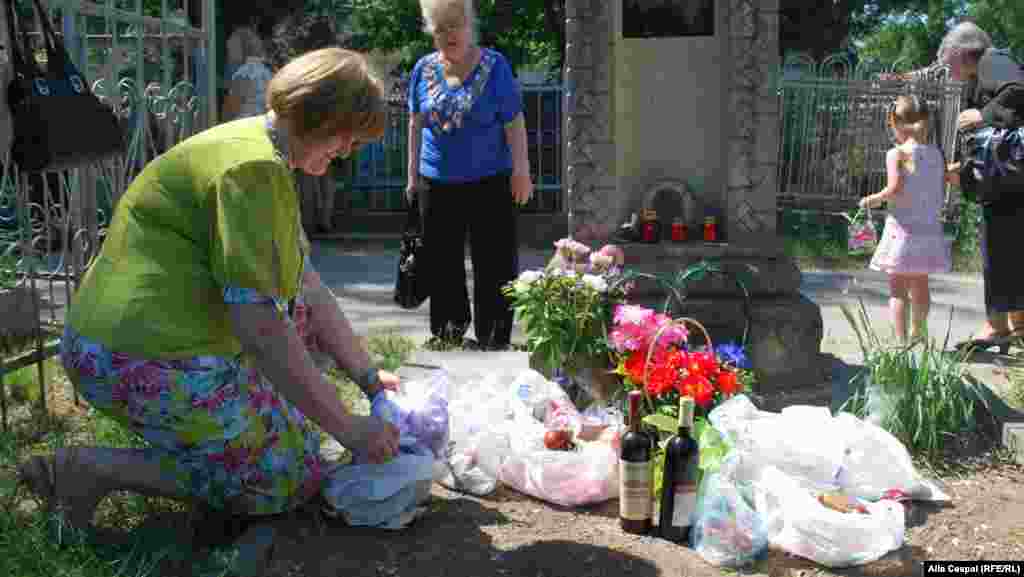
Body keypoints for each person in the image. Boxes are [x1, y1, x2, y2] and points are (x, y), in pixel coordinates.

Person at [16, 48, 403, 533]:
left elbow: (306, 285)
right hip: (137, 354)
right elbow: (259, 325)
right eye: (350, 136)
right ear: (323, 116)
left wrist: (367, 379)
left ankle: (201, 449)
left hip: (146, 341)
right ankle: (91, 469)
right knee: (279, 480)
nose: (349, 151)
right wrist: (349, 427)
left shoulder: (254, 150)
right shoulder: (254, 171)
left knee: (305, 448)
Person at [406, 0, 533, 350]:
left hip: (490, 181)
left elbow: (515, 122)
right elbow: (415, 124)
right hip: (436, 182)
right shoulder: (422, 69)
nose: (450, 34)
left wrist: (521, 172)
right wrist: (412, 176)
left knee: (494, 261)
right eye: (441, 27)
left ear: (470, 25)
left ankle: (494, 335)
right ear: (431, 31)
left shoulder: (496, 66)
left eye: (456, 25)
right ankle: (448, 332)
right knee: (441, 261)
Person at [928, 22, 1024, 352]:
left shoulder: (991, 61)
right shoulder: (977, 75)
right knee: (1006, 253)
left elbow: (1017, 90)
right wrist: (963, 170)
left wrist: (982, 115)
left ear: (959, 53)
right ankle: (1012, 327)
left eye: (946, 63)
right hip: (1007, 185)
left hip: (1012, 184)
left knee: (1000, 254)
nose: (946, 71)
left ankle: (1000, 327)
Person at [859, 95, 951, 343]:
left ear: (895, 123)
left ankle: (901, 342)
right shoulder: (937, 155)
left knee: (898, 289)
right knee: (921, 286)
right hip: (928, 230)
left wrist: (872, 199)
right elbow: (938, 186)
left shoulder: (898, 153)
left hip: (903, 231)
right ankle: (918, 333)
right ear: (927, 122)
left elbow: (895, 188)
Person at [222, 25, 274, 121]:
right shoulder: (266, 71)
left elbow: (232, 107)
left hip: (245, 123)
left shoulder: (244, 73)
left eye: (230, 49)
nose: (229, 55)